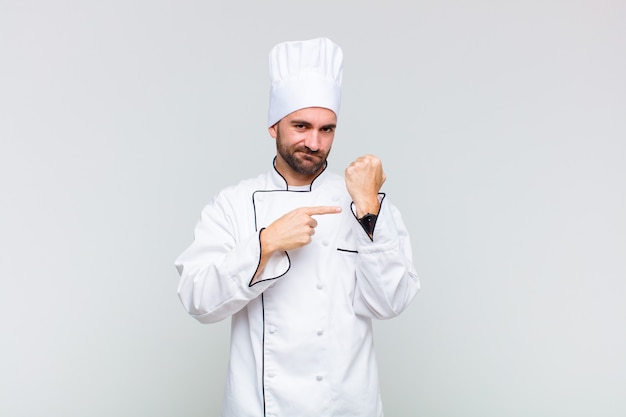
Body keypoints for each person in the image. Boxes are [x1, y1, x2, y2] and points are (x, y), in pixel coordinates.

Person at [175, 37, 419, 417]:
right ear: (274, 126)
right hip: (259, 407)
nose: (314, 142)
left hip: (345, 405)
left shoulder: (362, 199)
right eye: (301, 126)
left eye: (327, 129)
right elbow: (197, 300)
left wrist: (368, 209)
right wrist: (265, 245)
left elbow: (390, 302)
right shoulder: (234, 203)